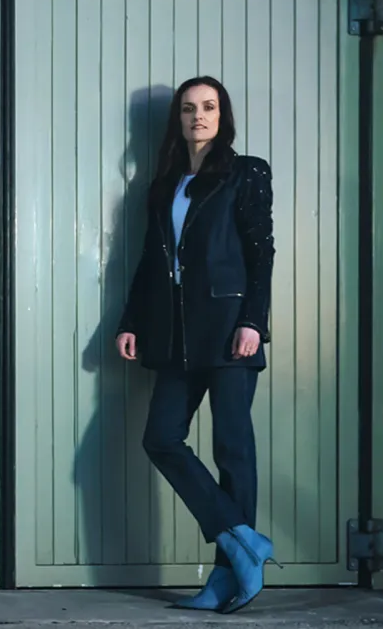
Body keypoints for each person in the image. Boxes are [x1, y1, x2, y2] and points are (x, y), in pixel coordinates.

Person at [115, 75, 279, 614]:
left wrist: (253, 321)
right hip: (176, 333)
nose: (199, 116)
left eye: (209, 107)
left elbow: (261, 253)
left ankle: (226, 578)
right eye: (189, 109)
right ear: (178, 119)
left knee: (233, 449)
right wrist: (131, 322)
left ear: (222, 115)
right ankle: (242, 539)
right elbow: (150, 261)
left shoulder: (246, 172)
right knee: (161, 437)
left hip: (231, 329)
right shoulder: (165, 183)